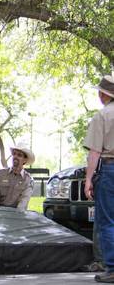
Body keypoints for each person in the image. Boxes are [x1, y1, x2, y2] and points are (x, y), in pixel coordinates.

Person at [84, 74, 114, 283]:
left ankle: (112, 268)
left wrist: (88, 180)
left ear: (104, 94)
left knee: (107, 221)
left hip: (110, 170)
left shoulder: (102, 116)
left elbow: (94, 152)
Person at [0, 145, 34, 211]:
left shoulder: (28, 180)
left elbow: (22, 206)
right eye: (14, 154)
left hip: (16, 217)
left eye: (19, 155)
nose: (15, 156)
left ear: (25, 160)